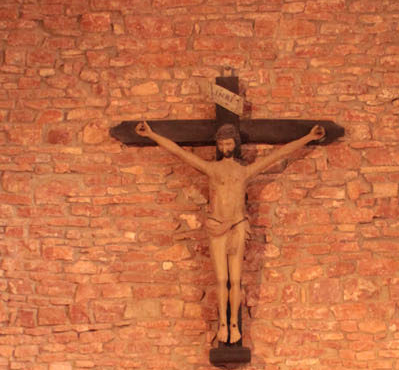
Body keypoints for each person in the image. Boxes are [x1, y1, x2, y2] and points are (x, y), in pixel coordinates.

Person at [135, 118, 325, 345]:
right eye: (222, 144)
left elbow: (278, 155)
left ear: (235, 144)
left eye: (229, 143)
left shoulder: (243, 171)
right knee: (221, 279)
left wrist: (308, 137)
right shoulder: (211, 169)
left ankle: (234, 323)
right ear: (218, 145)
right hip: (217, 226)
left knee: (235, 279)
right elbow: (179, 152)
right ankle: (222, 324)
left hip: (237, 226)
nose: (225, 147)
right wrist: (151, 135)